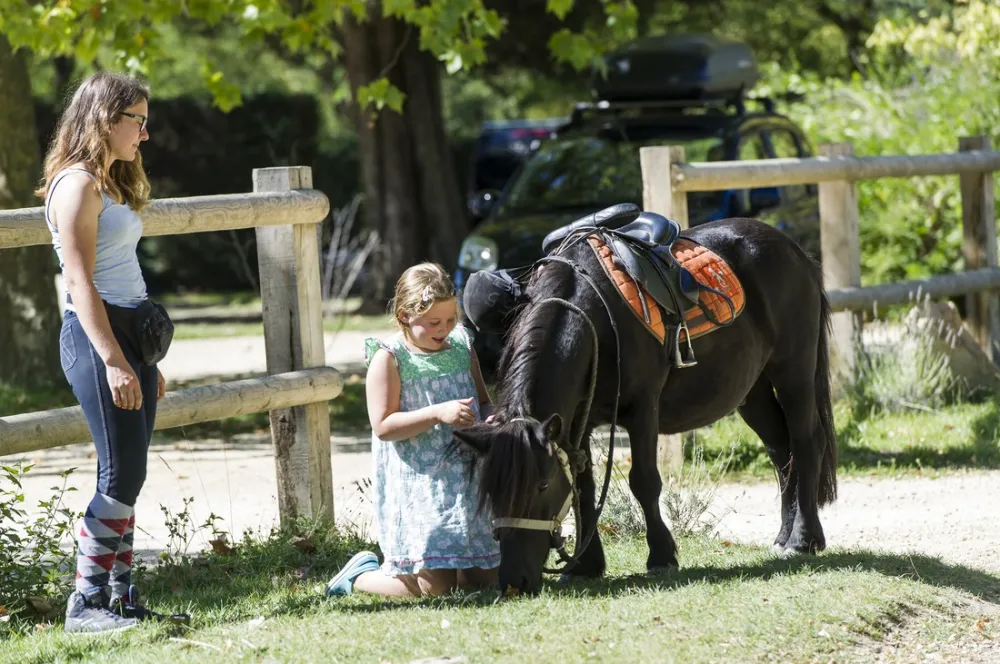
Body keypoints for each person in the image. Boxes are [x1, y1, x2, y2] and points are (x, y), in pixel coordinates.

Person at [40, 72, 185, 633]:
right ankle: (86, 605)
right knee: (119, 473)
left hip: (132, 338)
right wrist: (114, 360)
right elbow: (79, 283)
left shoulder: (108, 183)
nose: (144, 134)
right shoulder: (76, 185)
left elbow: (124, 271)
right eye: (138, 121)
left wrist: (147, 360)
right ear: (106, 117)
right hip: (97, 337)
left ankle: (121, 599)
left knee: (133, 472)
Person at [325, 263, 500, 598]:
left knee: (487, 580)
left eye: (450, 319)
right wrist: (437, 412)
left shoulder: (462, 345)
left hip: (467, 477)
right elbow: (383, 425)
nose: (444, 329)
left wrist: (491, 417)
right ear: (405, 315)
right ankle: (358, 577)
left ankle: (454, 570)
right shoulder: (391, 357)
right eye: (434, 322)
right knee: (435, 589)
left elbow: (484, 400)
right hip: (422, 484)